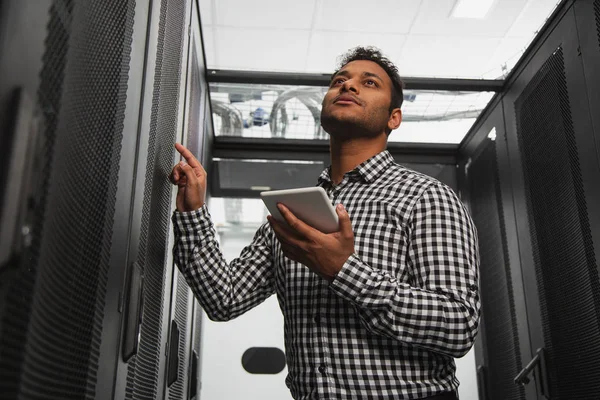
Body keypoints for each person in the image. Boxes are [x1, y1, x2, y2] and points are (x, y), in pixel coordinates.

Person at [169, 46, 480, 400]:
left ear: (393, 118)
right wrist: (193, 212)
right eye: (339, 81)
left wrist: (343, 270)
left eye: (369, 82)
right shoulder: (293, 212)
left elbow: (458, 325)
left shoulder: (426, 197)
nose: (347, 87)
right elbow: (224, 298)